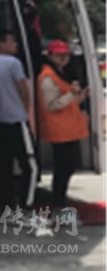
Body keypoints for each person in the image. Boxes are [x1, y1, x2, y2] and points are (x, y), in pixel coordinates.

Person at [0, 29, 39, 214]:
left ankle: (9, 207)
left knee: (4, 165)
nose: (16, 44)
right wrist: (25, 114)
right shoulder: (13, 63)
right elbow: (23, 91)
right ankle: (26, 206)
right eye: (12, 41)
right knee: (29, 166)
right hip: (16, 120)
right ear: (1, 43)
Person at [36, 40, 89, 209]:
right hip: (59, 130)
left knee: (67, 168)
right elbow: (51, 104)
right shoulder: (47, 77)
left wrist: (80, 95)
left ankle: (59, 203)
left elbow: (68, 102)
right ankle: (58, 204)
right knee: (63, 169)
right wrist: (72, 94)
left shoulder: (60, 73)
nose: (63, 58)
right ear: (50, 56)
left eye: (66, 55)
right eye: (59, 55)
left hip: (67, 129)